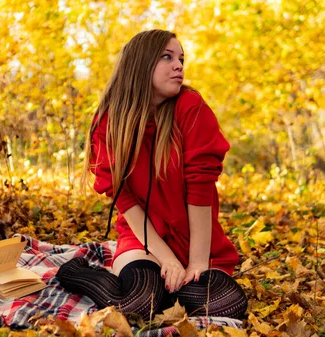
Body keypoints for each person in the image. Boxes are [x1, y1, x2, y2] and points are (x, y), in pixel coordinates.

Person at [56, 29, 248, 320]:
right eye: (167, 57)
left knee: (228, 304)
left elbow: (201, 187)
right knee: (138, 305)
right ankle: (78, 273)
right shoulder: (110, 122)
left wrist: (196, 264)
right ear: (141, 63)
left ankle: (170, 289)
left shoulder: (191, 107)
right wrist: (167, 260)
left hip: (193, 239)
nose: (179, 65)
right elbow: (126, 201)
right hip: (142, 239)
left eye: (181, 58)